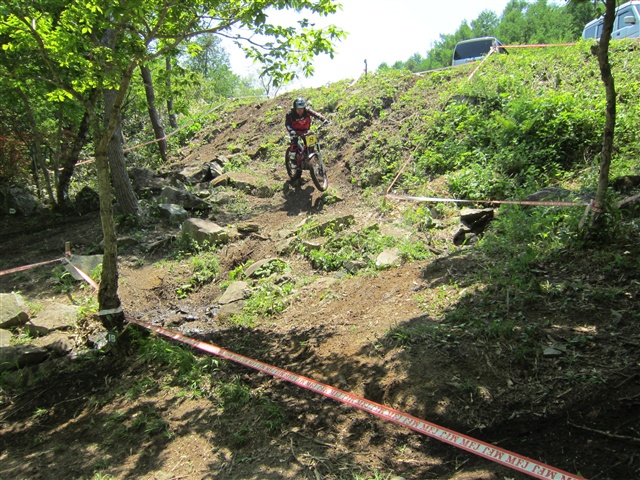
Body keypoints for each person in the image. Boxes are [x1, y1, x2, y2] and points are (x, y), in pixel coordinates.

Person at [285, 97, 329, 178]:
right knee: (294, 143)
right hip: (294, 132)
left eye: (302, 109)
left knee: (311, 144)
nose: (300, 111)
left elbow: (316, 114)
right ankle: (292, 161)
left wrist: (323, 119)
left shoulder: (307, 111)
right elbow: (287, 124)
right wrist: (291, 131)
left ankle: (311, 159)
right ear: (295, 108)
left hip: (305, 130)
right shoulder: (290, 114)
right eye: (298, 109)